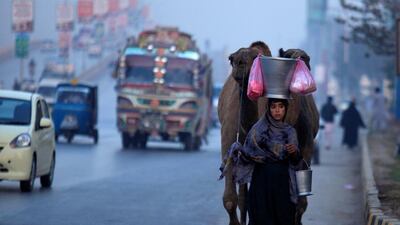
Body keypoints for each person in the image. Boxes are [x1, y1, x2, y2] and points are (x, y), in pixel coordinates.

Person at [232, 98, 301, 225]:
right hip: (261, 181)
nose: (277, 110)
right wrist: (239, 150)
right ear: (268, 109)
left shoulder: (290, 131)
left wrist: (294, 152)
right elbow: (249, 153)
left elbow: (296, 162)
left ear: (286, 109)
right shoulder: (258, 129)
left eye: (281, 106)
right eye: (273, 107)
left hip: (282, 183)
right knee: (260, 216)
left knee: (283, 216)